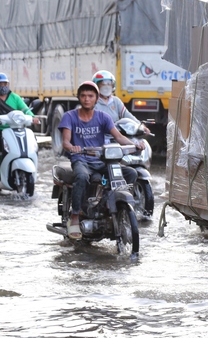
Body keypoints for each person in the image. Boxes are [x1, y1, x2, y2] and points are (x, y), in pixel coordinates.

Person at [59, 81, 144, 239]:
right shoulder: (69, 117)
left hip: (101, 160)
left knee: (131, 173)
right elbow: (65, 141)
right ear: (79, 97)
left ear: (96, 98)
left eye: (90, 96)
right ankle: (75, 216)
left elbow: (118, 137)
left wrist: (135, 144)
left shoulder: (103, 117)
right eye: (83, 96)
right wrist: (72, 147)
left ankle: (110, 204)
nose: (86, 99)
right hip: (81, 160)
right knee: (82, 176)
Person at [0, 73, 35, 178]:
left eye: (5, 83)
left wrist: (33, 117)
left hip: (13, 129)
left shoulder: (15, 97)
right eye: (0, 84)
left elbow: (25, 109)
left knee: (31, 138)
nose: (3, 86)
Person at [92, 70, 150, 134]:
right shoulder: (92, 102)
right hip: (99, 135)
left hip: (116, 135)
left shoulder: (116, 101)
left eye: (109, 84)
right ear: (96, 86)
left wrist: (140, 126)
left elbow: (127, 115)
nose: (106, 86)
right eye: (103, 84)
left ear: (113, 85)